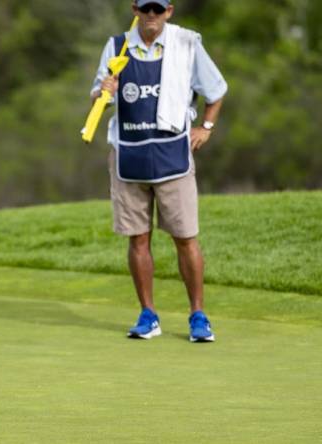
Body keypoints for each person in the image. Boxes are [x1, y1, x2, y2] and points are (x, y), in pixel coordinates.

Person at [90, 1, 227, 342]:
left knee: (185, 238)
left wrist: (206, 127)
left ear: (169, 11)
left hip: (172, 156)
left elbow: (216, 90)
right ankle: (148, 315)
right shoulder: (116, 45)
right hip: (129, 154)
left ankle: (198, 315)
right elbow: (98, 97)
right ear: (135, 9)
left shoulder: (186, 44)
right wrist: (104, 92)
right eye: (145, 8)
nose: (151, 15)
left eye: (158, 9)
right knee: (138, 238)